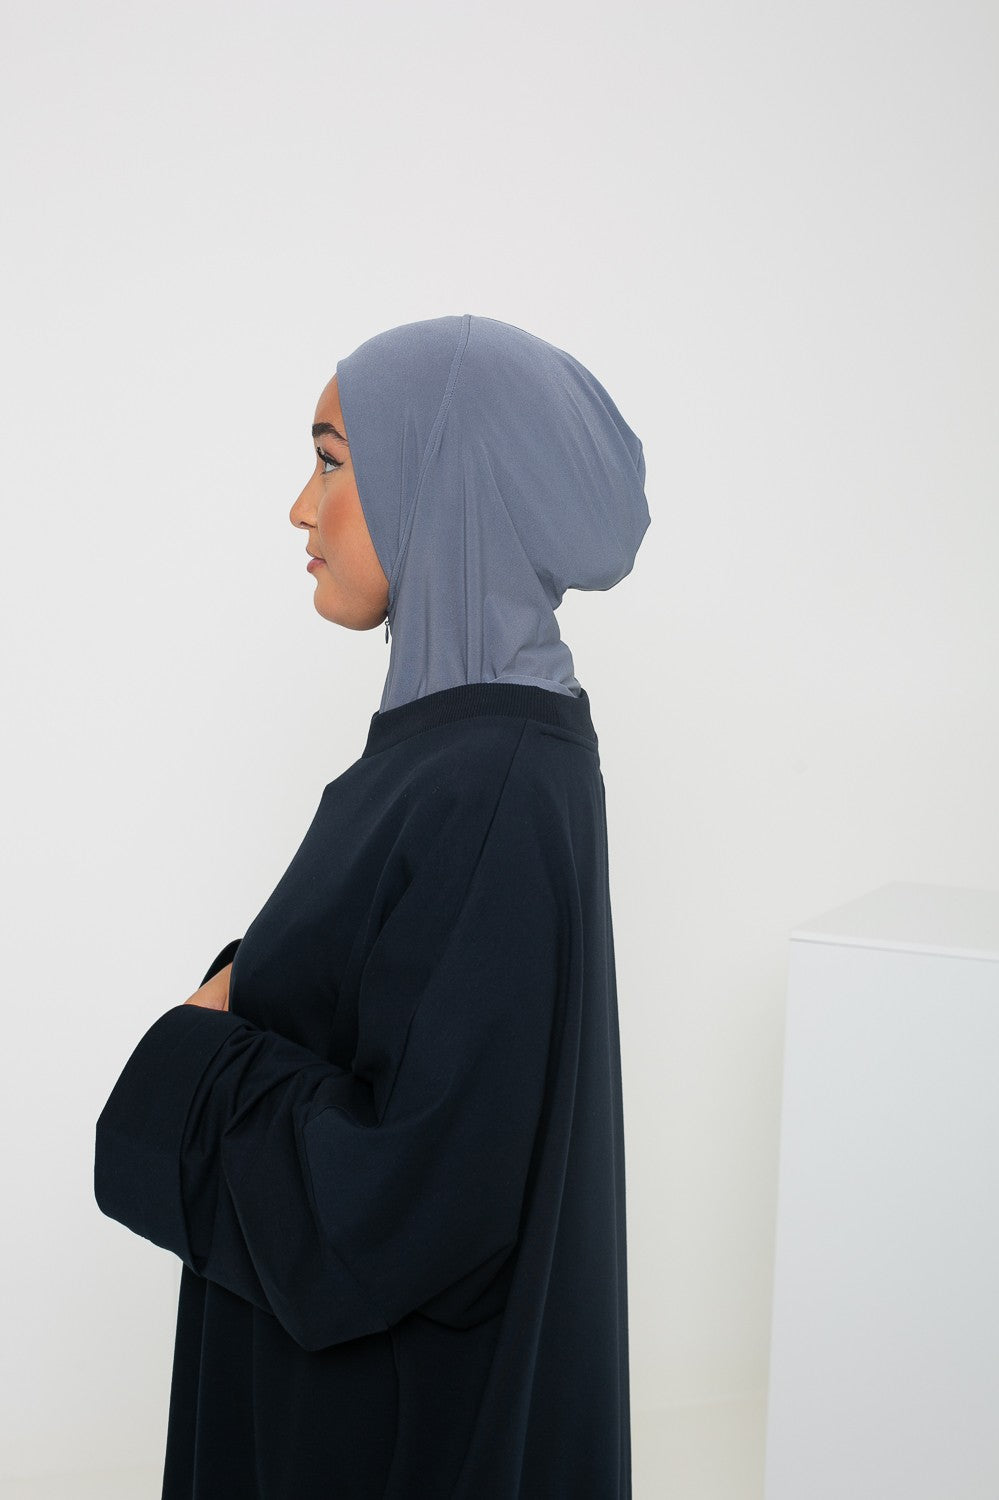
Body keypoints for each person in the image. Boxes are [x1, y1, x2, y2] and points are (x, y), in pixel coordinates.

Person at [95, 312, 651, 1498]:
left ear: (445, 481)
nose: (301, 508)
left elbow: (416, 1194)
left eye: (332, 460)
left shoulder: (493, 776)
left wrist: (197, 1051)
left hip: (382, 1443)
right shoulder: (456, 750)